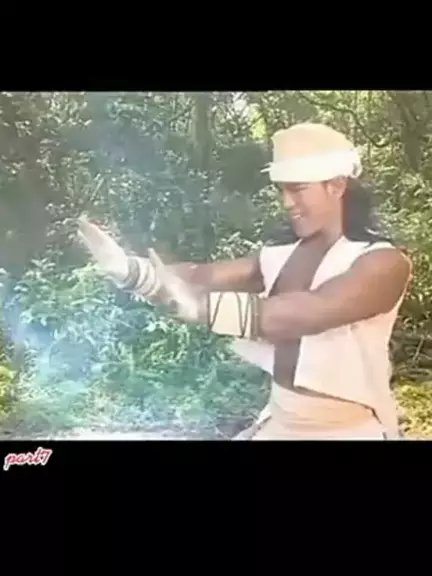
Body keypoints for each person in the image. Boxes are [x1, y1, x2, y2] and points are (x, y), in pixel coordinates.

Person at [77, 122, 412, 440]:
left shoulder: (383, 262)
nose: (286, 202)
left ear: (336, 186)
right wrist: (130, 271)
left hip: (349, 431)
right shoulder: (281, 254)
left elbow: (303, 313)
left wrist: (198, 307)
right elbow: (202, 275)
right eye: (282, 190)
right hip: (279, 422)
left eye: (298, 189)